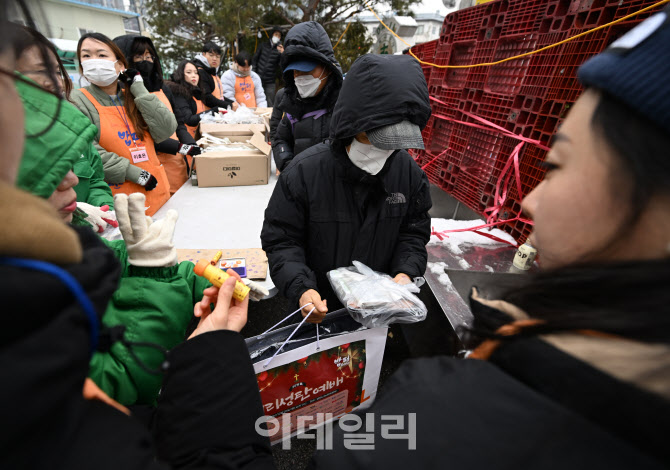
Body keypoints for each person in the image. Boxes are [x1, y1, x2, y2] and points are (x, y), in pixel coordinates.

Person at [1, 6, 273, 466]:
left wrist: (181, 274)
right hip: (133, 200)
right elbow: (124, 360)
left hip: (151, 204)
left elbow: (162, 131)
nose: (66, 173)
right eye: (33, 90)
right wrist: (204, 348)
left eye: (51, 86)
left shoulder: (66, 250)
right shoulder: (32, 305)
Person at [262, 54, 433, 323]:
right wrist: (302, 288)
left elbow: (413, 233)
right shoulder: (304, 173)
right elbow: (282, 240)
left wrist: (405, 274)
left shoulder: (409, 175)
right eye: (377, 137)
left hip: (381, 312)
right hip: (318, 309)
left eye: (395, 141)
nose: (384, 150)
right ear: (353, 124)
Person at [14, 25, 116, 233]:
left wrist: (105, 213)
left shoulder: (70, 131)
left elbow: (96, 179)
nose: (57, 82)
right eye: (42, 71)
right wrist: (76, 213)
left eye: (58, 72)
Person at [70, 32, 175, 216]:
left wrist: (139, 89)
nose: (94, 61)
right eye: (86, 56)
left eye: (101, 55)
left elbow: (165, 129)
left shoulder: (133, 96)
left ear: (120, 64)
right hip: (119, 198)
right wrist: (135, 173)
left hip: (157, 192)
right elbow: (90, 152)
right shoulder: (77, 100)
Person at [114, 34, 201, 195]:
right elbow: (142, 134)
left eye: (149, 56)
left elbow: (179, 122)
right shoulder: (123, 95)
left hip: (176, 163)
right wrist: (180, 147)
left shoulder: (163, 88)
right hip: (149, 165)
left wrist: (190, 144)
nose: (146, 61)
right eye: (139, 57)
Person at [271, 21, 343, 173]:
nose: (300, 77)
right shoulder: (291, 102)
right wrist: (288, 167)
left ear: (327, 68)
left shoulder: (345, 103)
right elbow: (280, 139)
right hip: (301, 186)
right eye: (295, 72)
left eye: (306, 71)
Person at [166, 59, 211, 139]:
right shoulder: (178, 93)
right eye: (189, 72)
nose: (194, 75)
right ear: (181, 75)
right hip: (185, 140)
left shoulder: (197, 92)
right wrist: (213, 111)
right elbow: (189, 119)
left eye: (196, 73)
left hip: (197, 136)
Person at [193, 41, 236, 111]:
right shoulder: (200, 72)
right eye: (211, 55)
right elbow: (207, 98)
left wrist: (232, 103)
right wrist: (229, 105)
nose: (215, 59)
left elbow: (219, 96)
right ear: (203, 55)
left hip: (213, 114)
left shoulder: (212, 72)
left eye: (217, 56)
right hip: (203, 115)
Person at [251, 26, 284, 106]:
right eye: (276, 34)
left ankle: (270, 118)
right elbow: (254, 60)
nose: (277, 37)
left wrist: (283, 54)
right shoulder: (263, 45)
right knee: (255, 99)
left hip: (270, 80)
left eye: (279, 36)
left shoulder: (280, 50)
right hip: (258, 77)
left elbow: (281, 65)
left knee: (270, 102)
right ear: (272, 34)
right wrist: (254, 74)